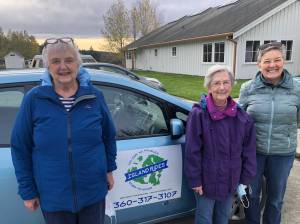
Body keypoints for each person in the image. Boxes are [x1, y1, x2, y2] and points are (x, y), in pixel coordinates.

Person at [11, 37, 117, 224]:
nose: (63, 67)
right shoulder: (34, 100)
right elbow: (20, 147)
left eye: (69, 60)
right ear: (47, 66)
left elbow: (109, 136)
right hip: (54, 198)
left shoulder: (94, 97)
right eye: (55, 61)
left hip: (93, 193)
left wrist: (109, 169)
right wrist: (28, 191)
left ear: (78, 63)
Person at [184, 65, 257, 224]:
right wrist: (195, 180)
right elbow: (192, 151)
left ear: (232, 85)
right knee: (204, 217)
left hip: (231, 179)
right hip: (206, 181)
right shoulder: (198, 114)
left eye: (226, 82)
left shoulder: (242, 117)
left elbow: (249, 151)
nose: (222, 87)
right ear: (209, 87)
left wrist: (245, 178)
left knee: (223, 217)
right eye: (216, 83)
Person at [239, 41, 300, 224]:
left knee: (275, 200)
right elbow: (240, 122)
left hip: (282, 154)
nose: (272, 65)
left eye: (277, 60)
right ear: (259, 64)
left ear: (284, 61)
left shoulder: (297, 90)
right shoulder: (247, 88)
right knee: (252, 197)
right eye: (267, 61)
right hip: (253, 154)